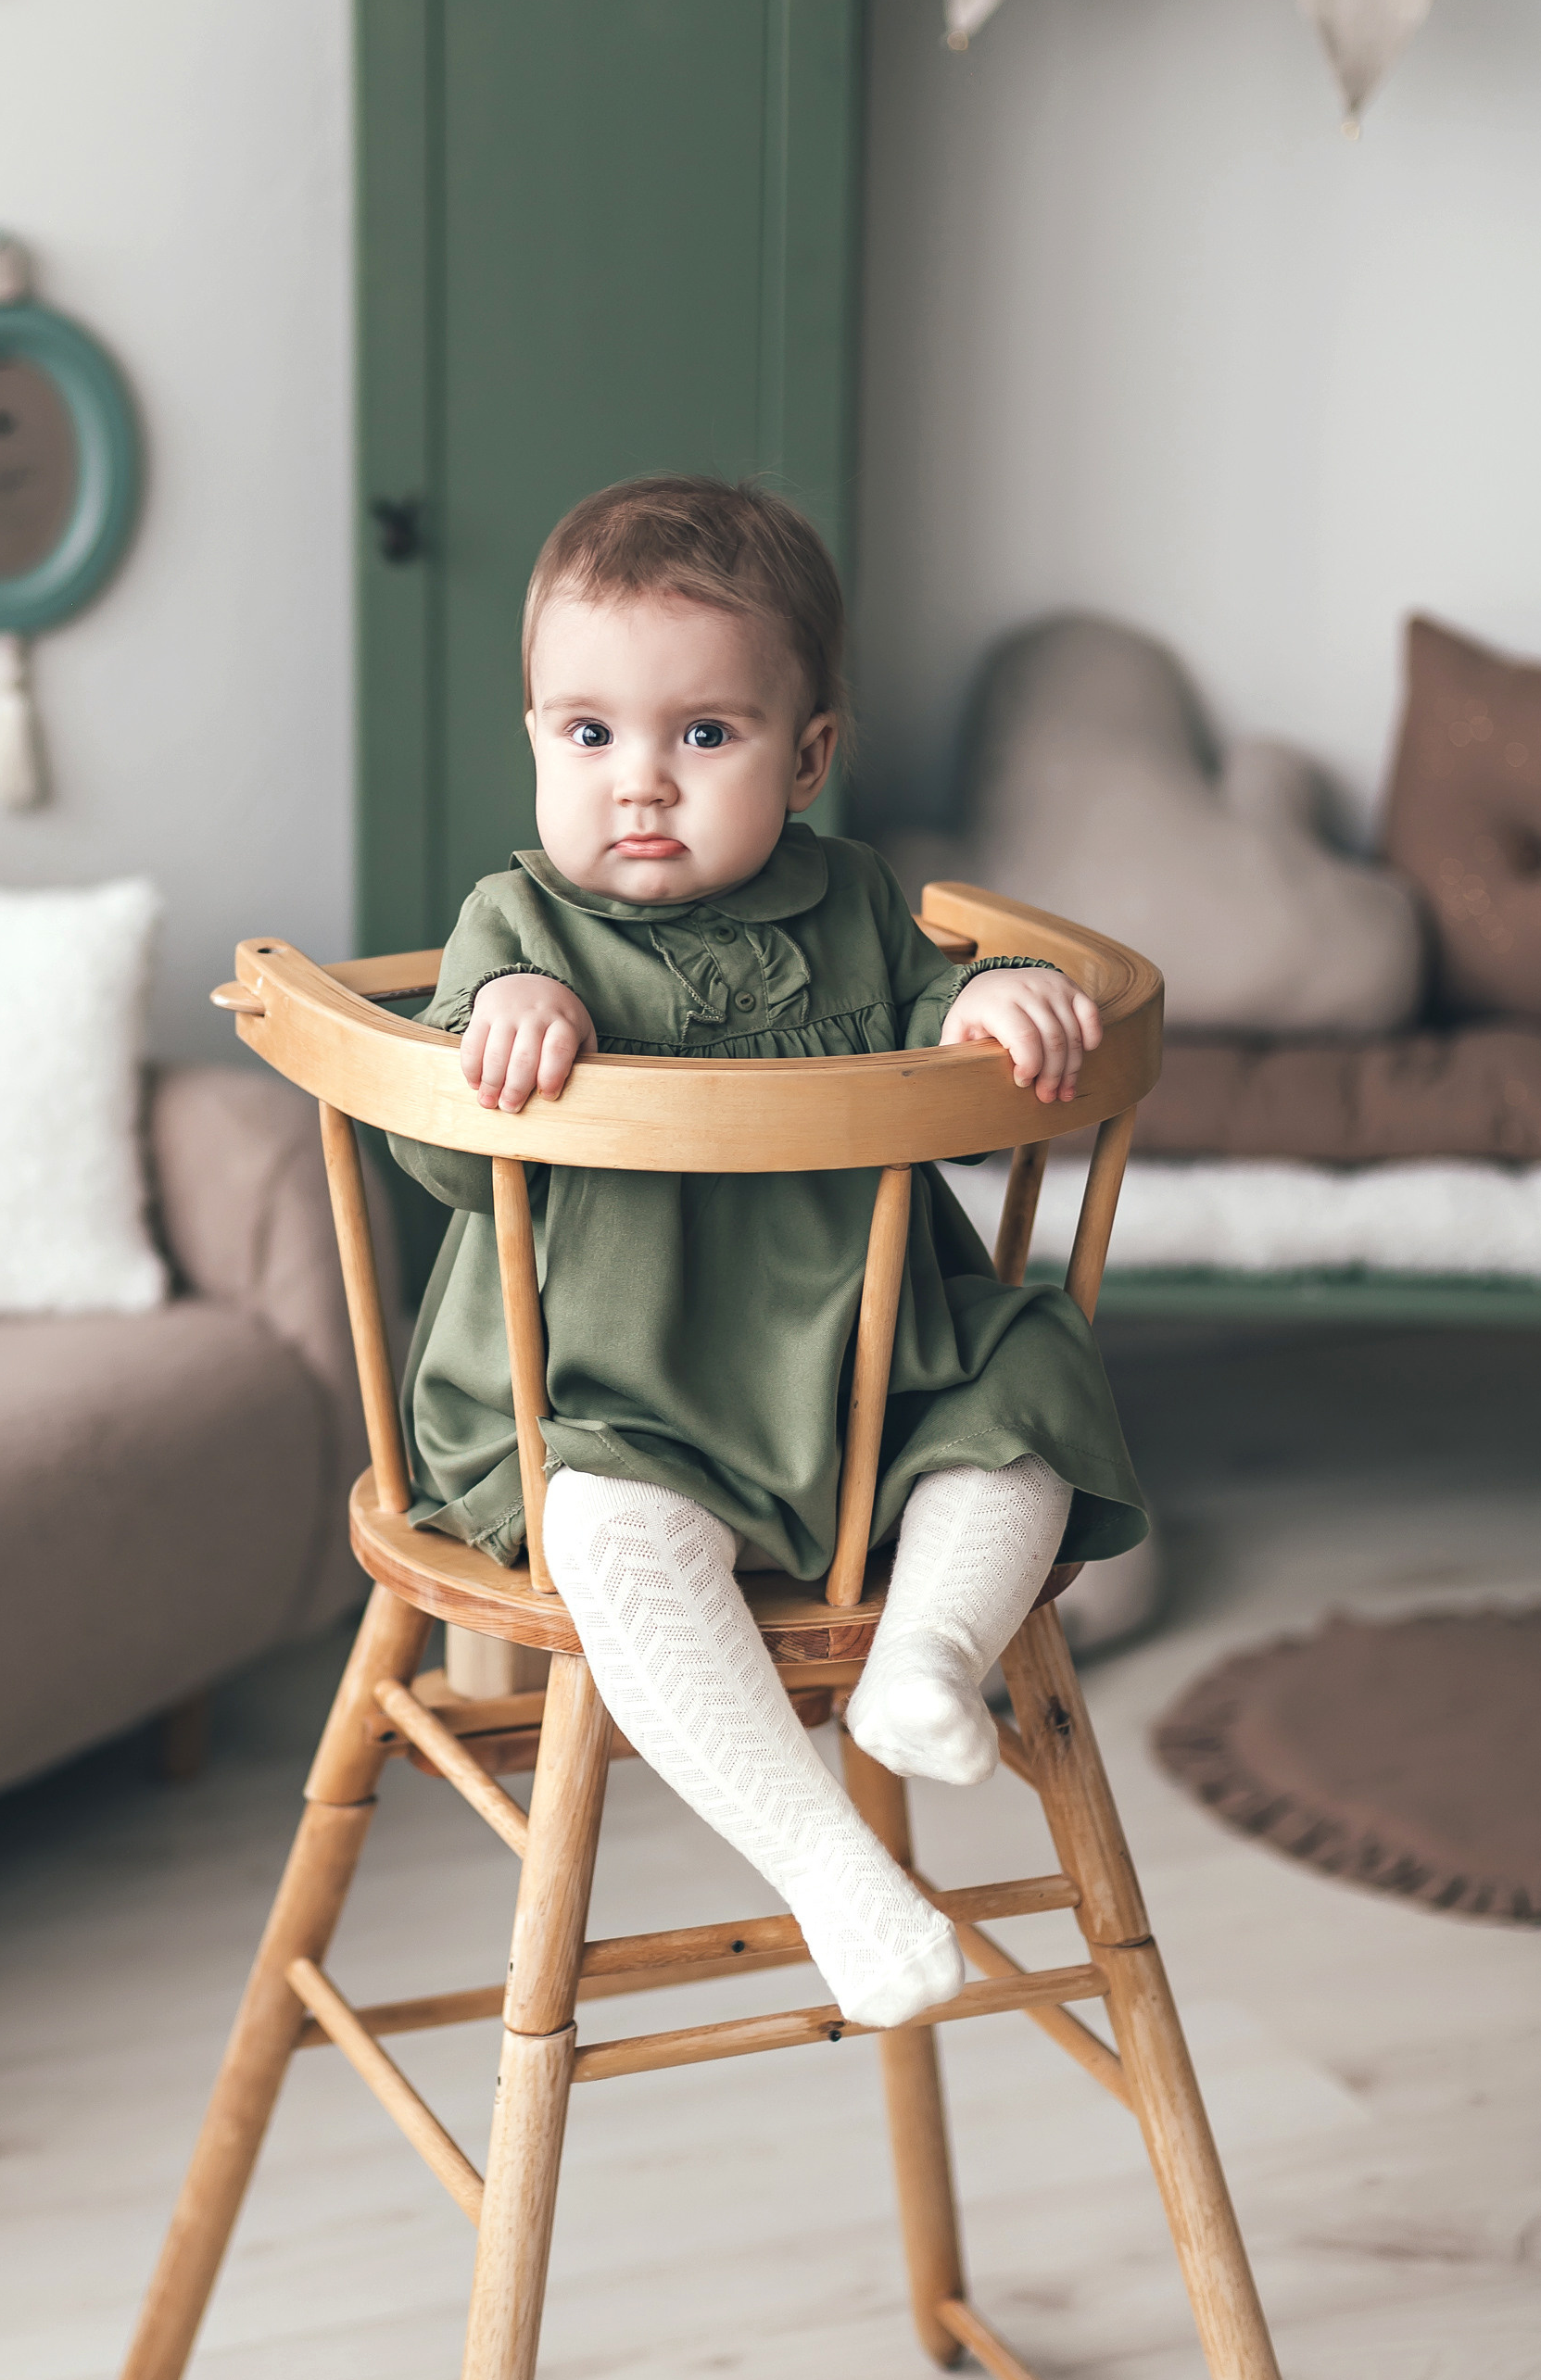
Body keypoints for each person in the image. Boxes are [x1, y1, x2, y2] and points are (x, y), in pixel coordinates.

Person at [389, 476, 1146, 2030]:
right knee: (604, 1531)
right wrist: (500, 1034)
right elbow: (439, 1150)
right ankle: (826, 1861)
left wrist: (984, 1005)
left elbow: (940, 1029)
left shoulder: (860, 902)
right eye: (588, 734)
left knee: (1034, 1393)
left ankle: (927, 1657)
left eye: (705, 735)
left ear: (806, 756)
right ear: (532, 735)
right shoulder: (514, 928)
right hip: (611, 1394)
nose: (642, 784)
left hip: (862, 1370)